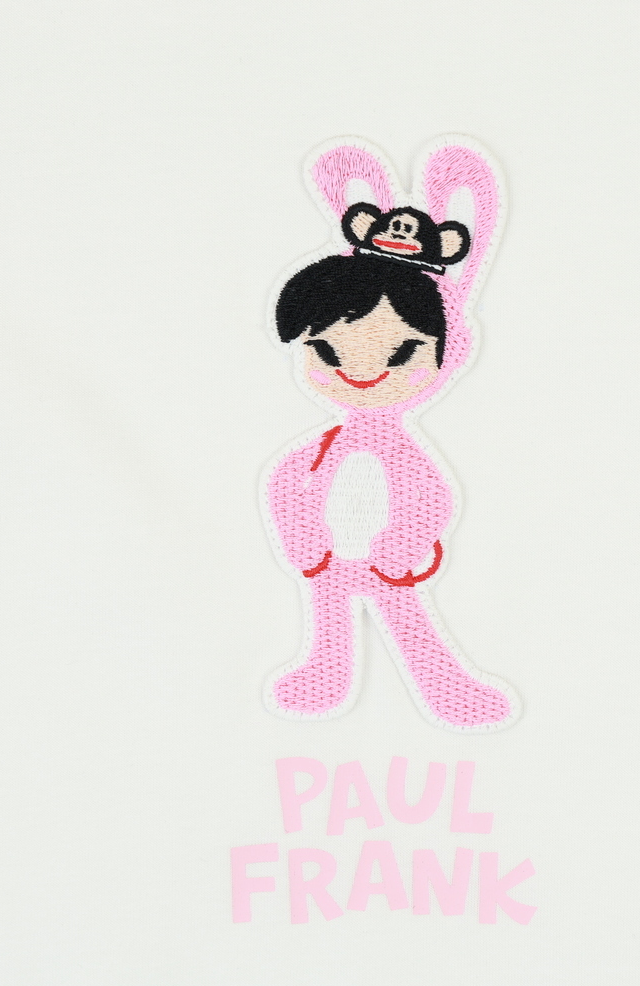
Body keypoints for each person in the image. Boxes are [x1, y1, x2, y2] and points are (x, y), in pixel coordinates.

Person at [262, 139, 519, 732]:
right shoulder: (319, 452)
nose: (362, 373)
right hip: (327, 559)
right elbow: (287, 485)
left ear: (449, 349)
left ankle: (447, 687)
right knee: (328, 620)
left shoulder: (404, 456)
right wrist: (303, 540)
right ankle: (323, 677)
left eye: (400, 354)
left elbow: (431, 498)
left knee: (408, 621)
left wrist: (403, 546)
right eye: (328, 352)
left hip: (386, 564)